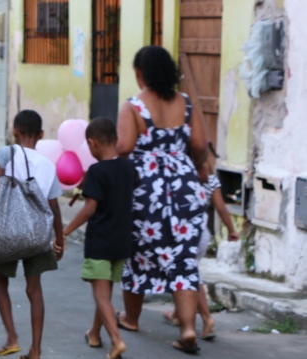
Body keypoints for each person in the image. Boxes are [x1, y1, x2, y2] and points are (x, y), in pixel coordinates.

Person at [115, 46, 209, 354]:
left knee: (139, 254)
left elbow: (125, 147)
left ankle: (130, 317)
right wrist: (190, 169)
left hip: (146, 190)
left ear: (140, 74)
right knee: (183, 259)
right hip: (184, 186)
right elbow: (198, 146)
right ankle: (187, 329)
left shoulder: (133, 107)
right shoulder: (185, 104)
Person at [0, 110, 65, 359]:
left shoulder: (6, 153)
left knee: (0, 282)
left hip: (9, 230)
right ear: (41, 135)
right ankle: (36, 350)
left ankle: (12, 338)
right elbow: (54, 207)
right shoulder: (49, 166)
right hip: (38, 234)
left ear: (15, 132)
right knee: (34, 289)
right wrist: (60, 240)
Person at [63, 118, 135, 359]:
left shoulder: (96, 171)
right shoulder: (129, 167)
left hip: (100, 242)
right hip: (122, 242)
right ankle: (95, 333)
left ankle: (116, 340)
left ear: (92, 144)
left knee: (101, 295)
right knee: (105, 292)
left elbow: (89, 208)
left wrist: (64, 231)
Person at [161, 146, 240, 340]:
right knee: (187, 271)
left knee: (190, 275)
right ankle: (177, 313)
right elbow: (220, 207)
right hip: (202, 233)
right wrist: (231, 229)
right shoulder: (209, 180)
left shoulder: (177, 177)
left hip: (182, 233)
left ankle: (206, 318)